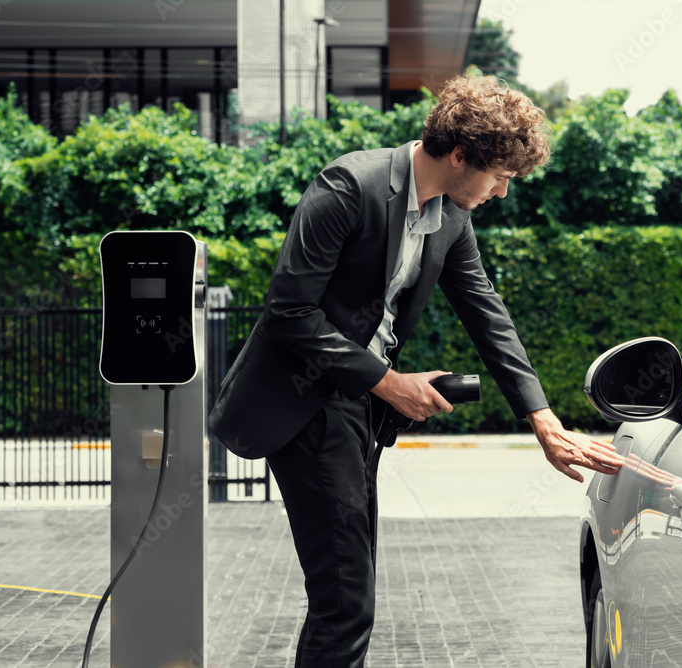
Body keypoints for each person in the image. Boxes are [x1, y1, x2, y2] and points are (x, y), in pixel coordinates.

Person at [209, 73, 625, 666]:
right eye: (501, 177)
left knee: (346, 587)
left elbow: (489, 316)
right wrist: (387, 382)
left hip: (358, 411)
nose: (503, 192)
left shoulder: (451, 220)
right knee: (346, 598)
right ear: (461, 155)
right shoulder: (349, 185)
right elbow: (288, 311)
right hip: (305, 406)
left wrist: (544, 421)